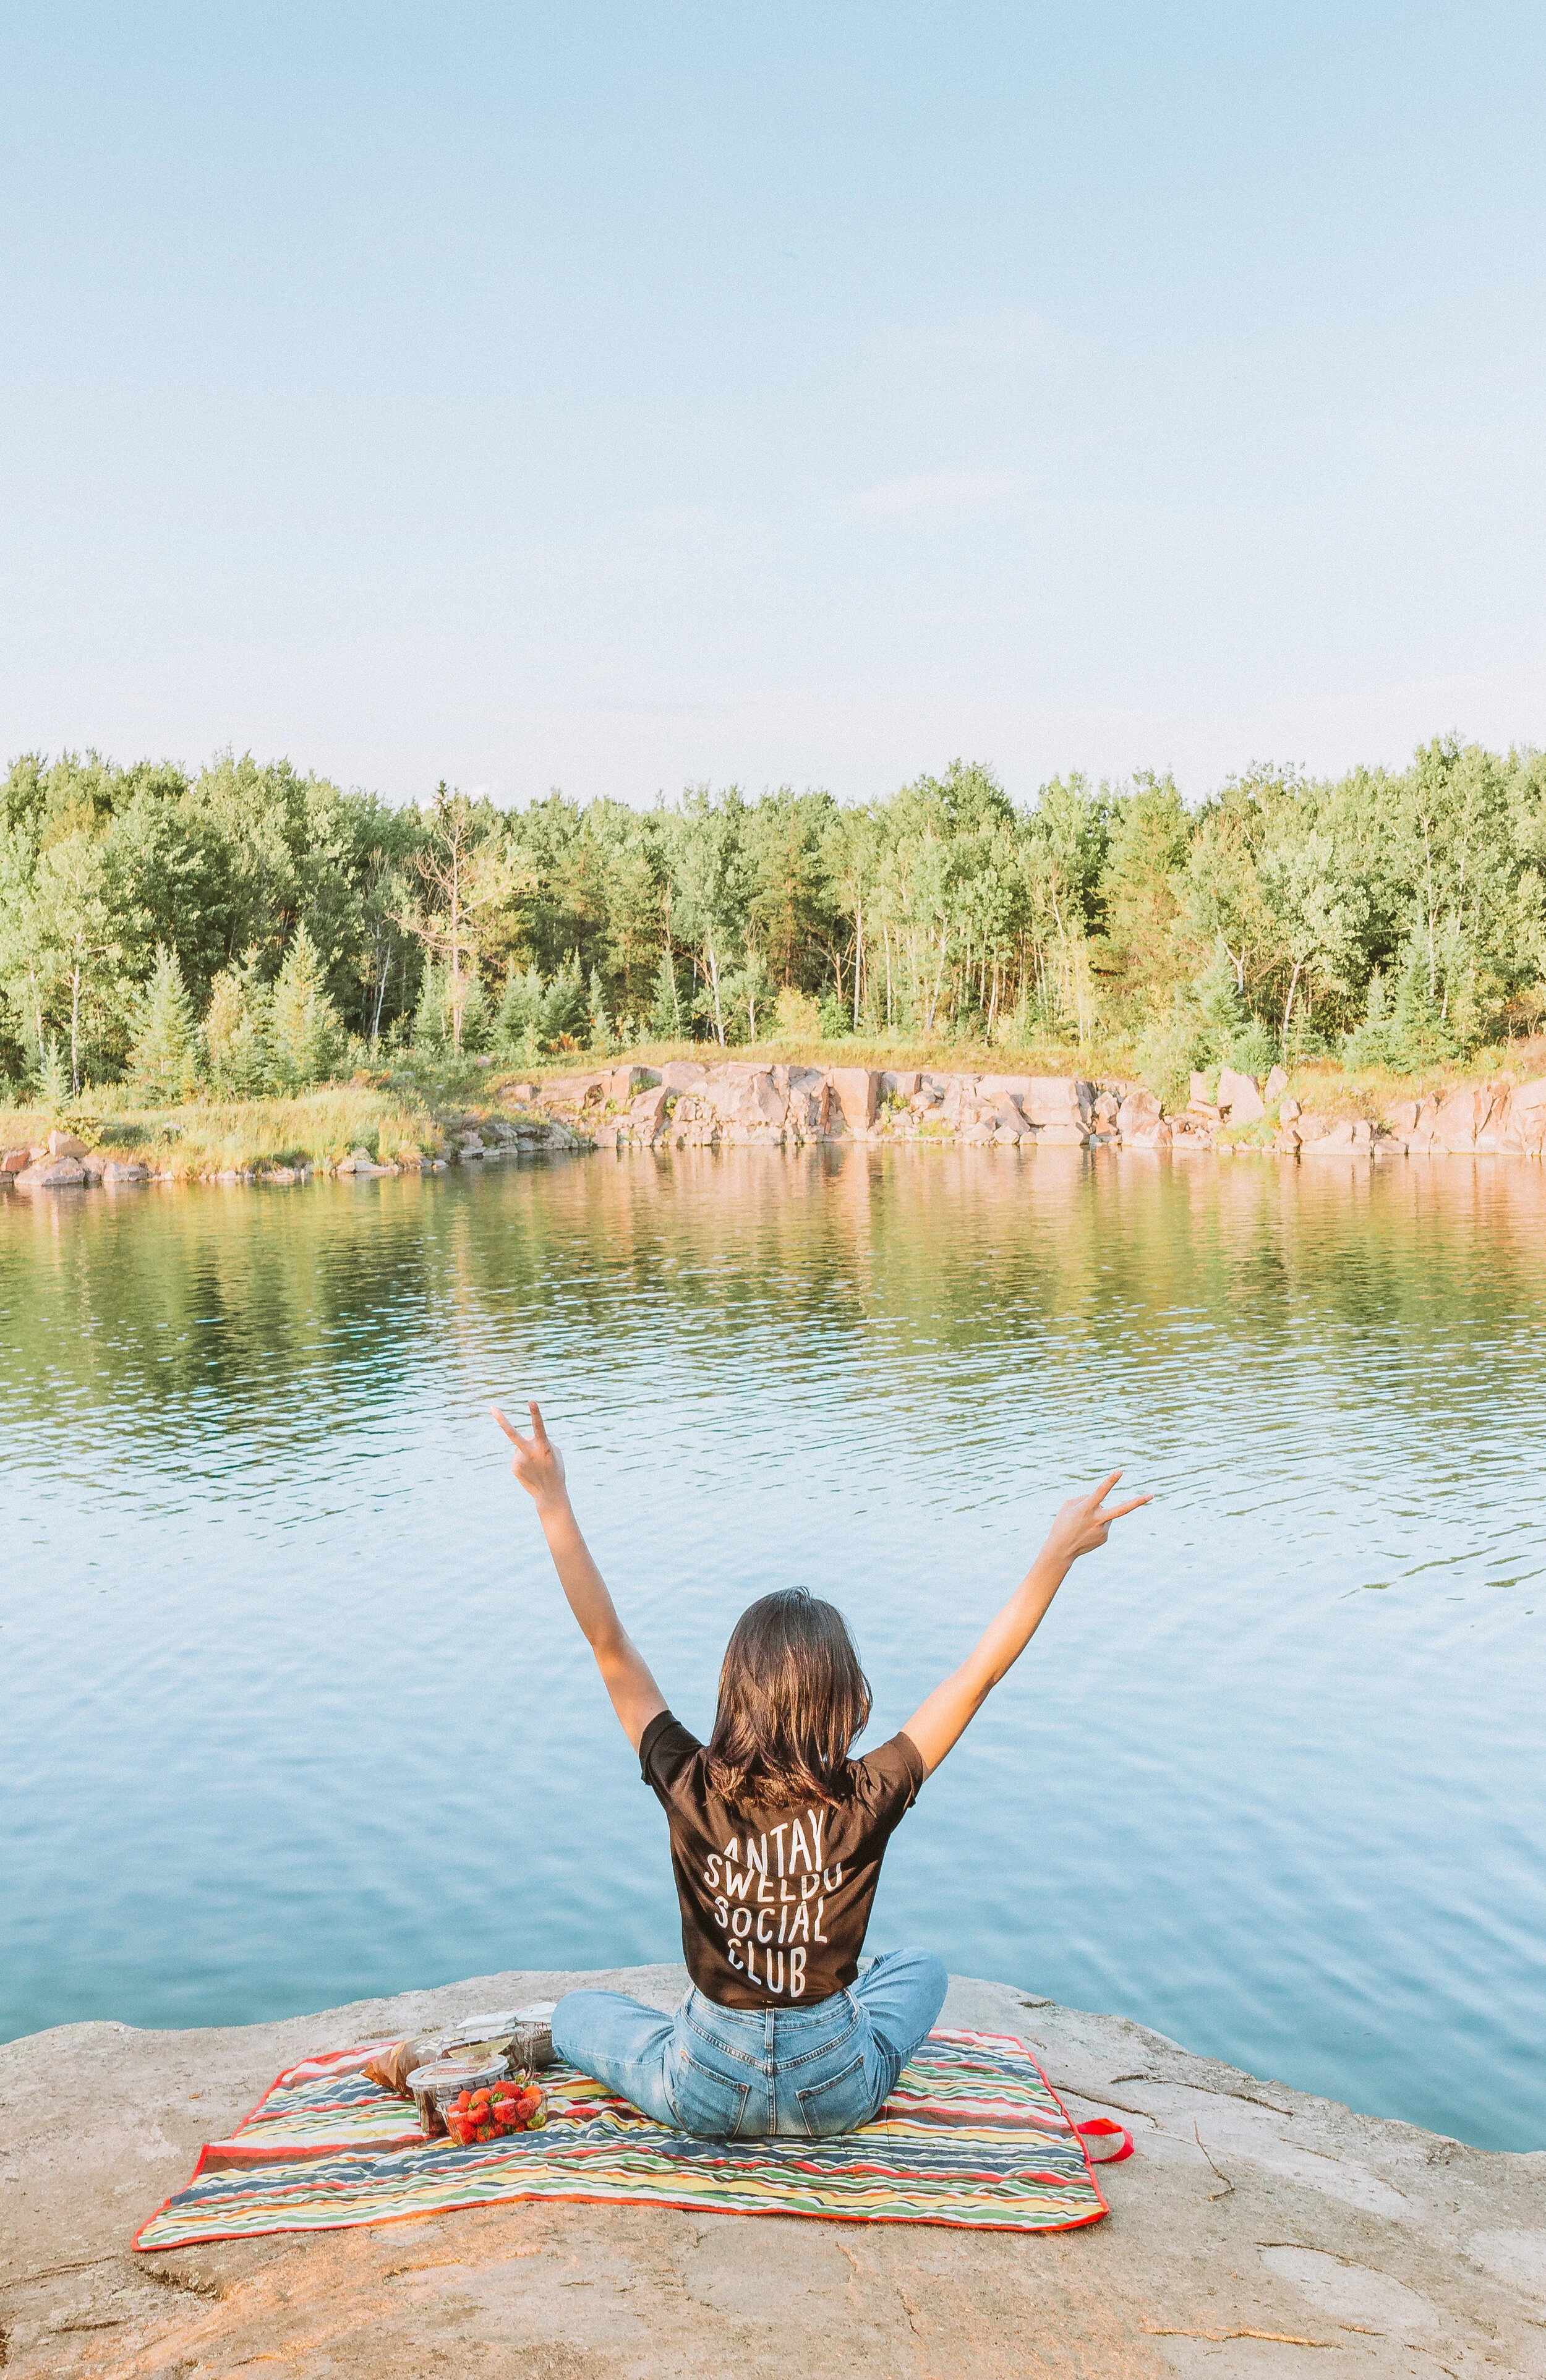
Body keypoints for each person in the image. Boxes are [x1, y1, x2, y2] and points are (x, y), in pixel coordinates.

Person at [492, 1399, 1148, 2141]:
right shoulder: (869, 1795)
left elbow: (608, 1644)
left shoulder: (687, 1780)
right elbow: (976, 1677)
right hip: (837, 2092)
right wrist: (1054, 1556)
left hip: (705, 2086)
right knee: (920, 1967)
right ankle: (831, 2018)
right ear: (843, 1700)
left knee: (580, 2013)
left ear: (735, 1689)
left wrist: (552, 1500)